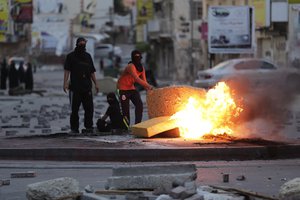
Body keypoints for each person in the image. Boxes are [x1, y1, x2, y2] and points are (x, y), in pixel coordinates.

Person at [63, 37, 99, 134]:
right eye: (81, 44)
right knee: (74, 110)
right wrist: (65, 83)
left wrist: (96, 84)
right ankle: (74, 128)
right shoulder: (70, 56)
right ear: (77, 44)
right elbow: (67, 70)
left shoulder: (88, 56)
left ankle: (89, 127)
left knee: (89, 108)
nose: (82, 45)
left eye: (84, 44)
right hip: (75, 88)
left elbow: (92, 71)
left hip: (87, 87)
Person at [117, 50, 153, 125]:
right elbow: (137, 79)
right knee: (125, 109)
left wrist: (148, 90)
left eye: (139, 57)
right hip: (122, 89)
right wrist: (149, 86)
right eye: (136, 57)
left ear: (141, 58)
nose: (137, 59)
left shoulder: (141, 68)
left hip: (131, 88)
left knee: (139, 105)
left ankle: (137, 125)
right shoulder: (130, 66)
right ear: (132, 58)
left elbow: (144, 80)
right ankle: (126, 127)